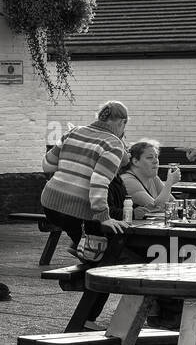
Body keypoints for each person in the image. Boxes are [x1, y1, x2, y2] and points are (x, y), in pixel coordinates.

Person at [39, 101, 132, 261]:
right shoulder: (114, 144)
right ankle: (92, 264)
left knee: (90, 249)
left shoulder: (74, 132)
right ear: (122, 122)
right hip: (77, 209)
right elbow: (99, 182)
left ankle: (84, 252)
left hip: (50, 203)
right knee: (106, 253)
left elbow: (47, 164)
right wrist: (104, 216)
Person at [120, 140, 181, 218]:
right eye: (150, 158)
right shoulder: (128, 180)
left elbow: (174, 204)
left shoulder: (152, 177)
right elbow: (156, 209)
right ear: (135, 161)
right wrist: (169, 183)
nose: (155, 161)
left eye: (156, 157)